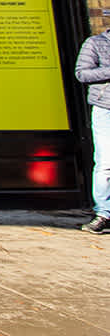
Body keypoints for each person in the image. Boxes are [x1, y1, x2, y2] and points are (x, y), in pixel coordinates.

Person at [72, 25, 110, 233]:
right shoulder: (95, 43)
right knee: (106, 162)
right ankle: (104, 213)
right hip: (106, 108)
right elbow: (82, 74)